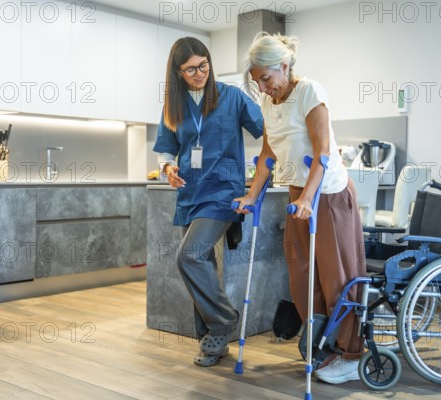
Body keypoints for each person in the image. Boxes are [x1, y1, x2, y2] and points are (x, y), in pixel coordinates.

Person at [233, 33, 367, 385]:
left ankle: (351, 353)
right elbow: (267, 154)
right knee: (303, 276)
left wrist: (309, 197)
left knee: (336, 277)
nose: (263, 87)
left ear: (284, 65)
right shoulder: (268, 104)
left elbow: (323, 153)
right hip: (299, 195)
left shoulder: (310, 91)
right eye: (257, 81)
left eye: (266, 78)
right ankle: (322, 345)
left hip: (329, 195)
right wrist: (251, 195)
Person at [153, 37, 263, 367]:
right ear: (178, 72)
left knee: (189, 256)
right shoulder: (174, 104)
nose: (200, 73)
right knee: (204, 265)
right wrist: (168, 168)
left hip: (223, 192)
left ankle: (223, 319)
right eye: (191, 69)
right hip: (189, 192)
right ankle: (213, 342)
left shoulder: (232, 97)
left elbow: (267, 131)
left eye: (204, 65)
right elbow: (165, 148)